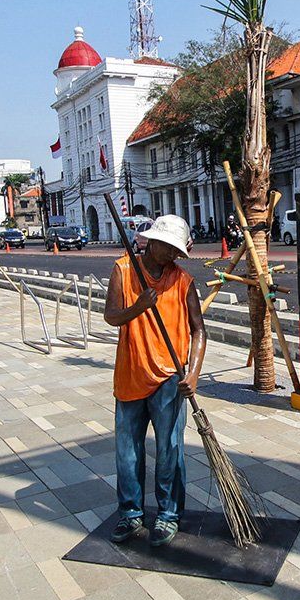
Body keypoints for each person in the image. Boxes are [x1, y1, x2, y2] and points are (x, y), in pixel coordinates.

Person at [103, 214, 207, 547]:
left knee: (170, 451)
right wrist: (138, 306)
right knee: (128, 452)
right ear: (155, 242)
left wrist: (193, 373)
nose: (175, 256)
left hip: (169, 379)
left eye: (179, 251)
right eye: (171, 250)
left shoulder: (183, 281)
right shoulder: (123, 270)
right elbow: (110, 317)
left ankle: (168, 514)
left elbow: (199, 331)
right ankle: (131, 513)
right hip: (131, 373)